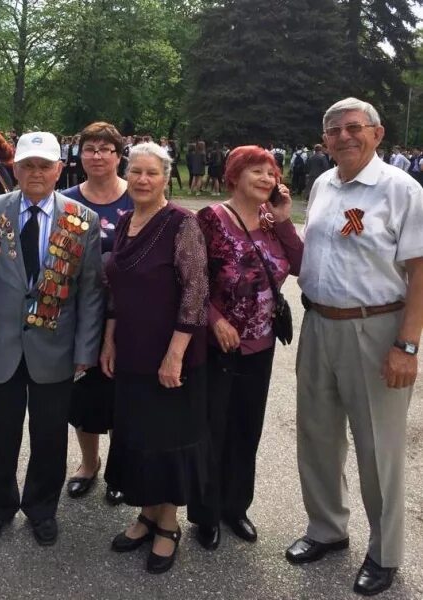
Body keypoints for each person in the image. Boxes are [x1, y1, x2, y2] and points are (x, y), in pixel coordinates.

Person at [286, 97, 423, 597]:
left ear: (377, 134)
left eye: (353, 128)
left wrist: (406, 346)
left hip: (376, 329)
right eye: (333, 131)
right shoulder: (324, 183)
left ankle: (385, 553)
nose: (343, 137)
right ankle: (326, 528)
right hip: (319, 323)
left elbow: (420, 273)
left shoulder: (401, 190)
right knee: (317, 434)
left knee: (378, 448)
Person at [0, 131, 104, 547]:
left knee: (50, 436)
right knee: (0, 433)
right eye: (28, 165)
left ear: (59, 170)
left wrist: (86, 349)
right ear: (15, 168)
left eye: (44, 166)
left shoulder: (81, 219)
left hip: (54, 348)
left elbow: (90, 291)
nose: (35, 173)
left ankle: (41, 509)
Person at [100, 142, 210, 574]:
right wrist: (109, 340)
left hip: (170, 356)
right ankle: (147, 512)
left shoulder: (182, 224)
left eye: (152, 173)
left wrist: (174, 356)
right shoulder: (127, 220)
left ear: (166, 177)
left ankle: (168, 524)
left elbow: (196, 294)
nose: (143, 180)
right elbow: (116, 289)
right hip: (130, 350)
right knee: (139, 436)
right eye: (137, 172)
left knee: (166, 439)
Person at [188, 146, 303, 551]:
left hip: (261, 344)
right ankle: (205, 513)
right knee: (212, 427)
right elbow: (191, 280)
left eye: (271, 173)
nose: (266, 179)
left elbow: (303, 266)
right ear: (234, 175)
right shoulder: (210, 219)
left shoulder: (273, 223)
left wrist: (286, 221)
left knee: (246, 427)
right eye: (256, 171)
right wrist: (215, 319)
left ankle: (236, 507)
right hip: (220, 344)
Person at [62, 122, 133, 506]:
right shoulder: (67, 200)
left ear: (119, 155)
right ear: (80, 154)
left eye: (106, 149)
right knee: (84, 397)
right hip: (82, 316)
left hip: (131, 317)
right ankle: (89, 464)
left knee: (126, 398)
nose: (98, 156)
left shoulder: (137, 199)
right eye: (90, 148)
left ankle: (121, 470)